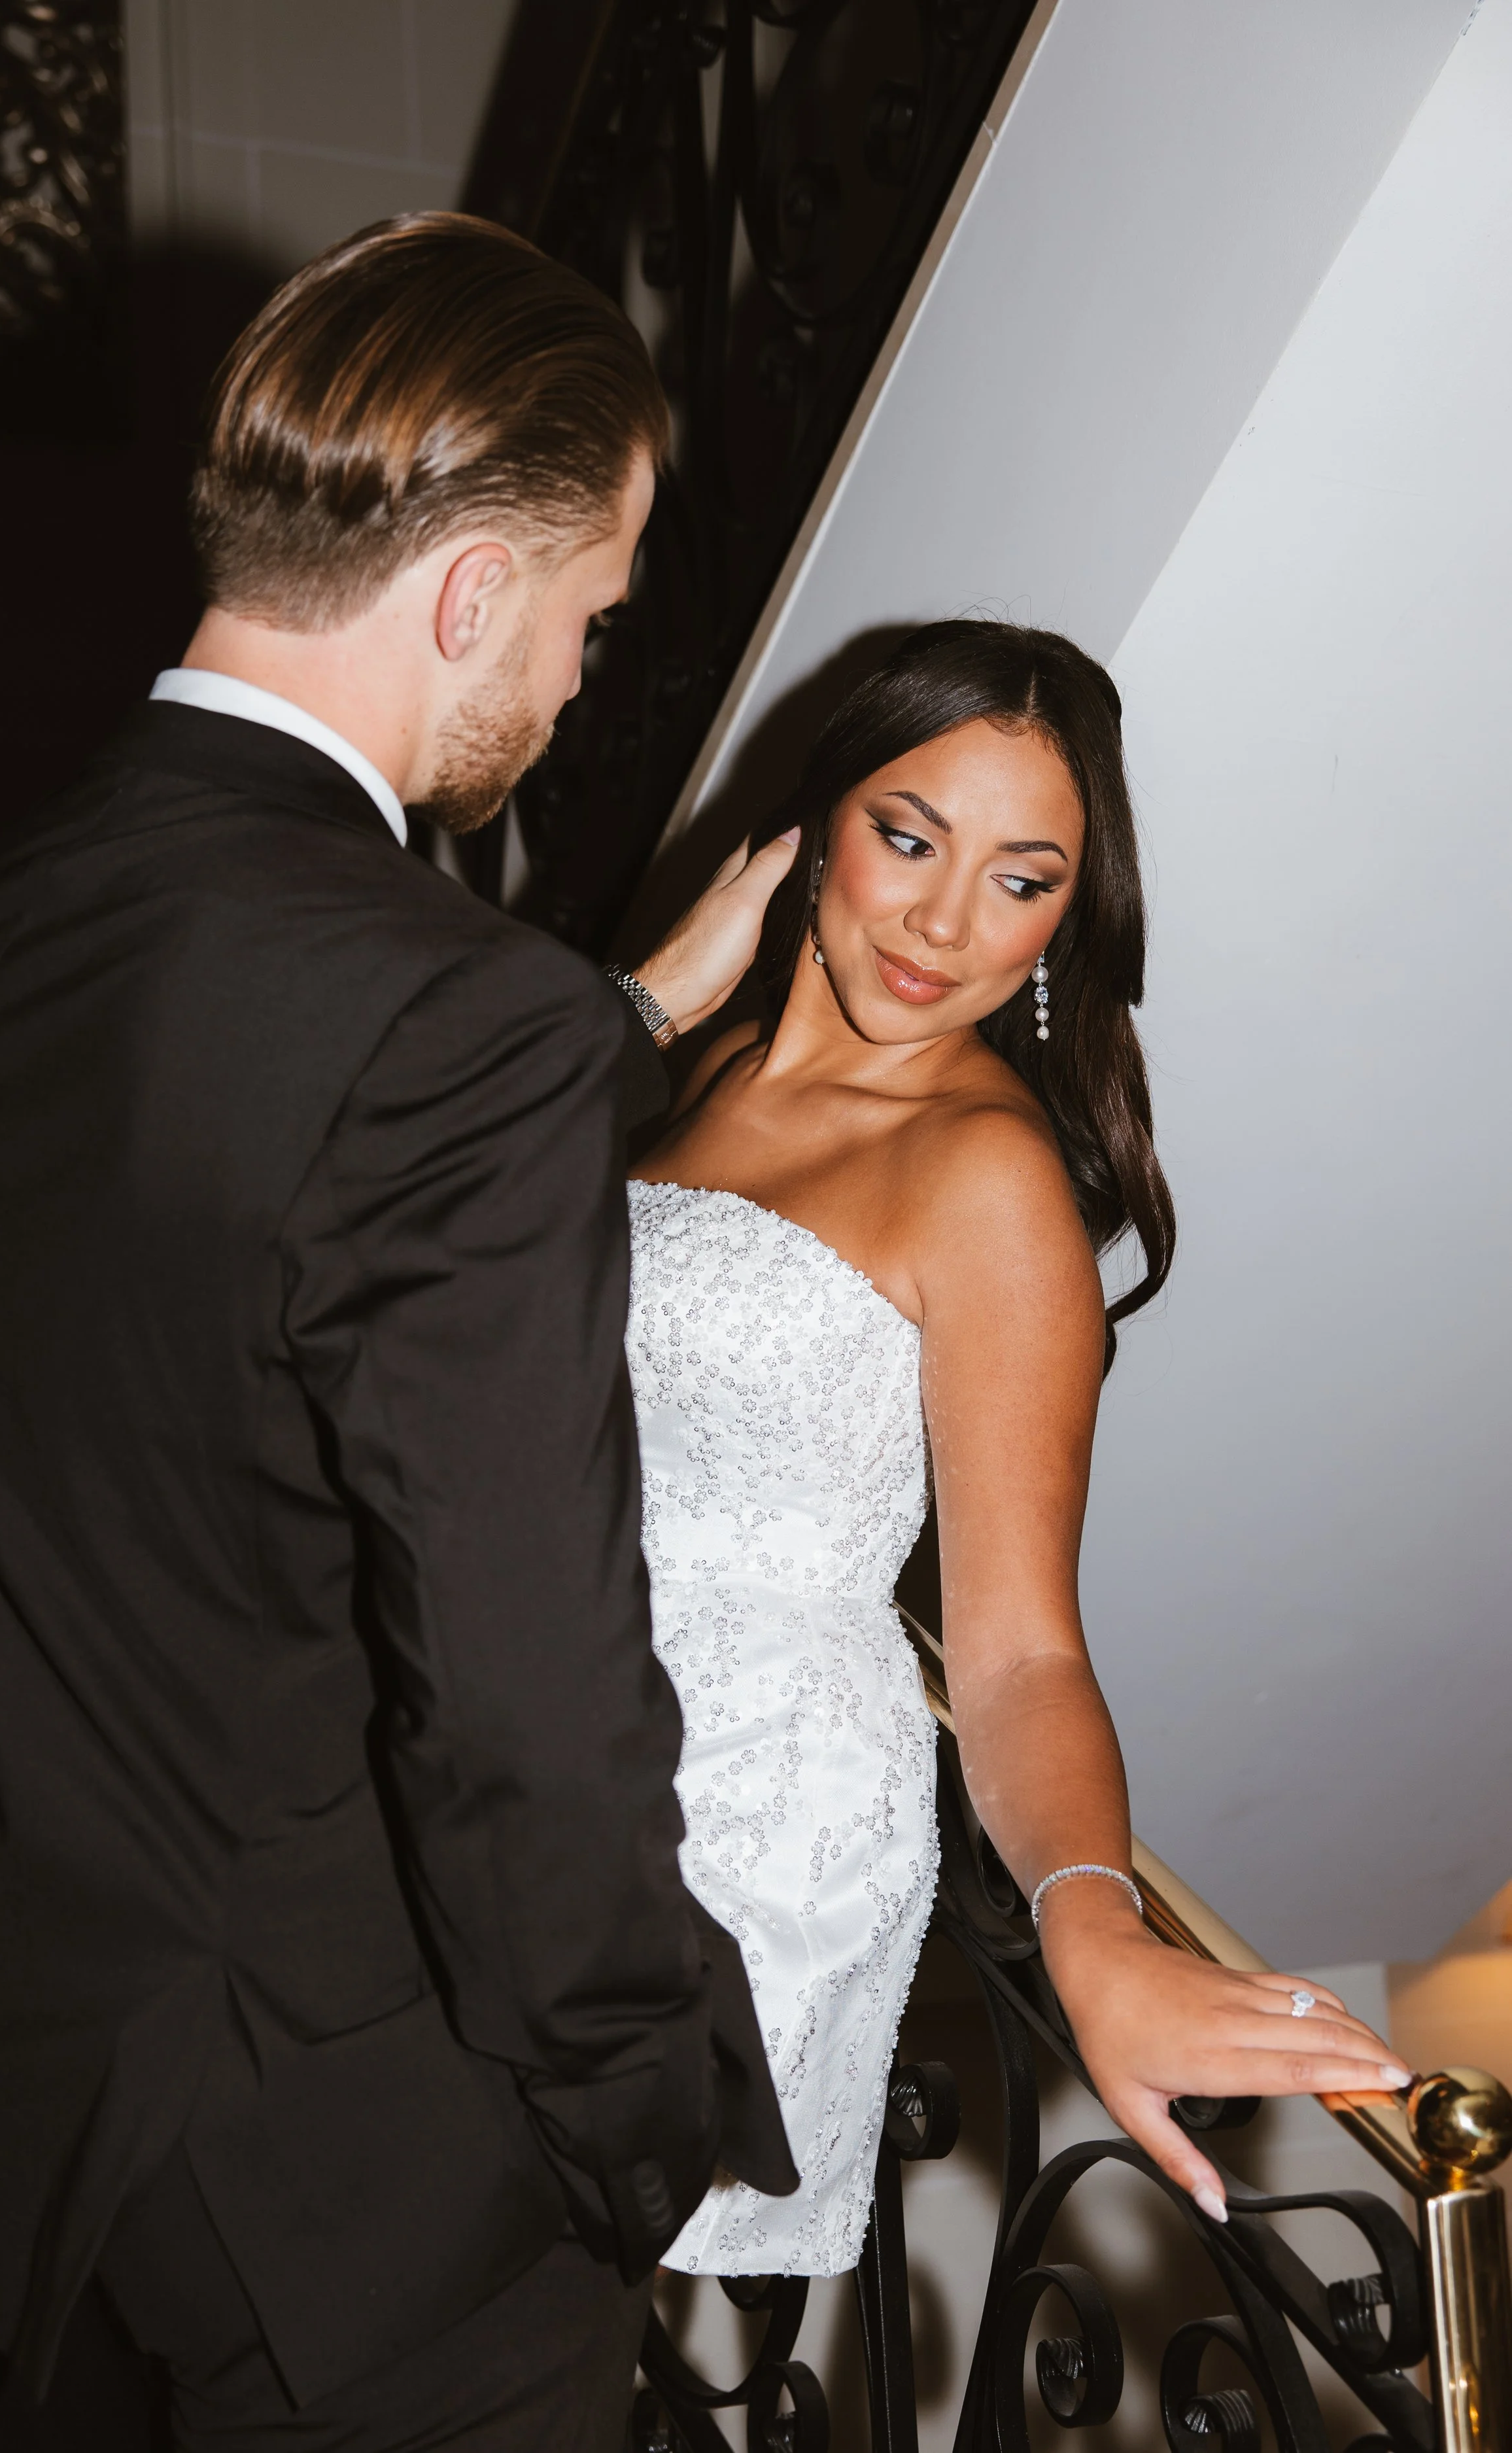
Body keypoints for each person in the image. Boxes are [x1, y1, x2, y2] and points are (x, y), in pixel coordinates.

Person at [0, 213, 799, 2452]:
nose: (580, 682)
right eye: (590, 617)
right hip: (340, 2173)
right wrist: (623, 2116)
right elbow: (526, 1700)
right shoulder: (450, 1016)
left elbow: (199, 1237)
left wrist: (620, 1021)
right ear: (473, 591)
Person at [621, 621, 1414, 2274]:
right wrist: (632, 1012)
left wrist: (1091, 1919)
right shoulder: (690, 1071)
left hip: (729, 1826)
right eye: (907, 837)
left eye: (1019, 878)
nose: (938, 921)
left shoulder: (984, 1177)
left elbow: (1016, 1649)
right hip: (530, 1748)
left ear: (1067, 916)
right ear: (814, 824)